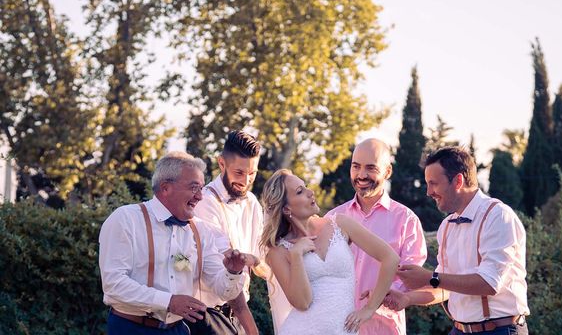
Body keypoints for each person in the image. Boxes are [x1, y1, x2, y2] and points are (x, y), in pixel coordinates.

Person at [99, 151, 251, 335]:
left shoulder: (202, 231)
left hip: (178, 330)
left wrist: (233, 272)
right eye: (194, 187)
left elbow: (224, 291)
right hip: (131, 328)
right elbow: (114, 284)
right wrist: (168, 301)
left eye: (202, 188)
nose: (200, 197)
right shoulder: (125, 219)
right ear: (165, 188)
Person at [395, 146, 529, 335]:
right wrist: (406, 298)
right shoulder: (447, 226)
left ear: (458, 181)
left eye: (433, 183)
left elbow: (490, 283)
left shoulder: (498, 216)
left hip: (500, 330)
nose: (428, 192)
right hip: (459, 330)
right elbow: (442, 286)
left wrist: (429, 277)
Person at [260, 169, 400, 334]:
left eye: (305, 187)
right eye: (300, 192)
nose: (310, 192)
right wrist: (296, 255)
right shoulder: (278, 252)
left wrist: (369, 309)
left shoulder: (340, 224)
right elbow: (303, 303)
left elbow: (390, 258)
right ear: (286, 209)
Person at [326, 138, 428, 335]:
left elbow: (411, 279)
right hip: (336, 327)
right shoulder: (332, 219)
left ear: (387, 171)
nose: (361, 175)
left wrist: (382, 296)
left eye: (371, 168)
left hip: (384, 329)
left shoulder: (407, 220)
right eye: (356, 167)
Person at [190, 130, 264, 335]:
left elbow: (264, 262)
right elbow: (228, 266)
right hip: (207, 317)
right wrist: (252, 329)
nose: (246, 181)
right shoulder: (204, 202)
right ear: (221, 163)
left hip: (238, 315)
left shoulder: (252, 203)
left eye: (252, 173)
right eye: (239, 173)